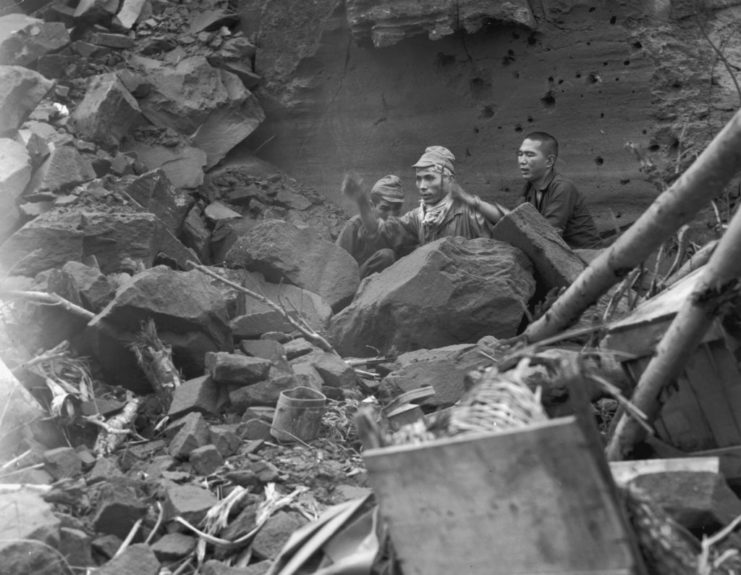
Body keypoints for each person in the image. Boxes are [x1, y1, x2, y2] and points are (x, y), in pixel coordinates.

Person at [343, 146, 508, 251]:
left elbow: (514, 225)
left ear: (449, 180)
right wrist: (362, 202)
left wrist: (470, 201)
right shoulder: (418, 217)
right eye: (419, 178)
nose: (422, 185)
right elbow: (381, 233)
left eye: (430, 178)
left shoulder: (467, 213)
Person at [518, 131, 602, 249]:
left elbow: (549, 234)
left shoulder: (563, 187)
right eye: (520, 154)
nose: (522, 161)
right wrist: (481, 206)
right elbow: (515, 221)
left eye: (529, 155)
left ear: (549, 161)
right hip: (555, 256)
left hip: (586, 258)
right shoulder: (528, 188)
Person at [336, 174, 408, 278]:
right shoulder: (354, 225)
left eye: (396, 208)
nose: (391, 214)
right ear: (371, 206)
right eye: (385, 208)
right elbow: (336, 262)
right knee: (386, 256)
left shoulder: (400, 229)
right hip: (352, 284)